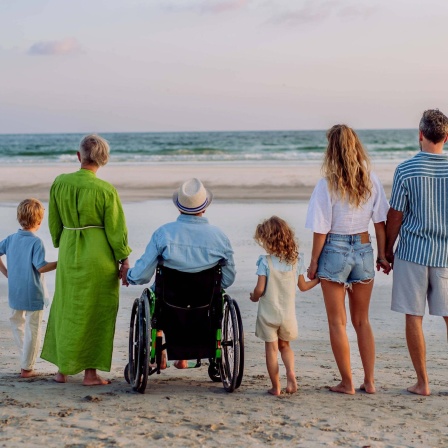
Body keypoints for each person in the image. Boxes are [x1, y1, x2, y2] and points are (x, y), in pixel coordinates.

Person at [306, 124, 390, 395]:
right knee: (362, 320)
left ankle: (347, 382)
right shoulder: (371, 179)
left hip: (334, 249)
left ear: (331, 151)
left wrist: (313, 262)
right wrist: (382, 254)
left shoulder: (326, 184)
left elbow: (321, 229)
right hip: (364, 248)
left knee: (337, 322)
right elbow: (380, 223)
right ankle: (370, 381)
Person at [41, 134, 131, 386]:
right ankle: (90, 375)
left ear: (79, 156)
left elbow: (54, 223)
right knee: (97, 311)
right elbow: (116, 230)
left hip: (70, 250)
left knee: (67, 308)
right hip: (98, 256)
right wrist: (123, 259)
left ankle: (63, 370)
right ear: (103, 160)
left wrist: (63, 241)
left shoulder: (60, 183)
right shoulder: (105, 190)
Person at [122, 178, 236, 369]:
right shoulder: (220, 237)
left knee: (154, 298)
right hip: (205, 305)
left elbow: (142, 274)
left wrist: (129, 275)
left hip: (169, 303)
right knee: (212, 297)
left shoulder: (164, 234)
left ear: (179, 207)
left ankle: (162, 348)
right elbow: (228, 278)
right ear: (205, 208)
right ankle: (187, 357)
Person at [386, 109, 448, 396]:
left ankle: (423, 383)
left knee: (414, 316)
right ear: (446, 137)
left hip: (412, 252)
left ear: (420, 134)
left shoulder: (406, 169)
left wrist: (386, 251)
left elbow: (396, 215)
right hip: (446, 254)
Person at [250, 216, 319, 396]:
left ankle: (276, 387)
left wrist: (254, 297)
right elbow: (303, 287)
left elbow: (260, 289)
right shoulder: (296, 261)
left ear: (268, 240)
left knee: (271, 350)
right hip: (288, 316)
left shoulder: (265, 262)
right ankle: (290, 373)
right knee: (285, 347)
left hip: (268, 314)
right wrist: (319, 280)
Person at [0, 199, 57, 378]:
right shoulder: (36, 242)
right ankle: (27, 368)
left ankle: (25, 361)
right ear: (39, 222)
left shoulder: (10, 239)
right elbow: (41, 266)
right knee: (33, 329)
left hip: (15, 292)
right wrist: (59, 264)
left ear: (19, 218)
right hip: (33, 293)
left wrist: (6, 272)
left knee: (18, 324)